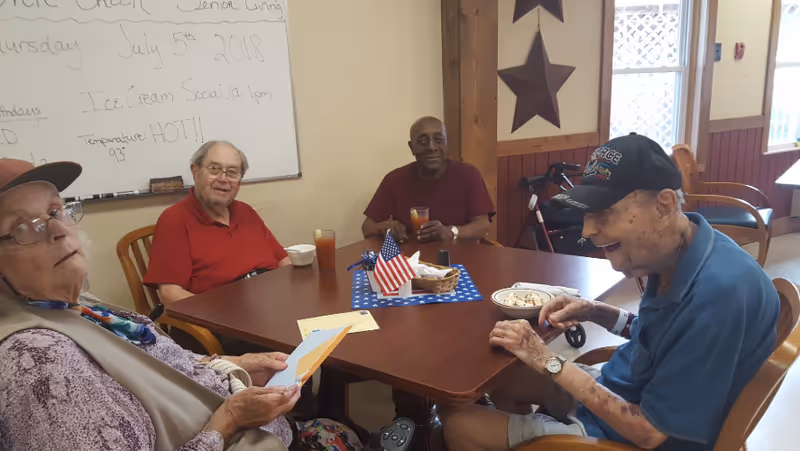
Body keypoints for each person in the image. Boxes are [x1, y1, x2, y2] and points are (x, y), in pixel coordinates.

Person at [440, 134, 780, 451]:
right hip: (623, 388)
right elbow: (664, 337)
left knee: (457, 425)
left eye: (603, 213)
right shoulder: (690, 248)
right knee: (507, 378)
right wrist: (593, 310)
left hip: (629, 432)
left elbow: (649, 432)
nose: (588, 230)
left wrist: (549, 361)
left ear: (662, 206)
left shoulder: (717, 295)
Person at [0, 158, 362, 451]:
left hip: (255, 413)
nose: (59, 230)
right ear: (195, 172)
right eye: (25, 228)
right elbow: (170, 298)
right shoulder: (40, 362)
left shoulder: (72, 304)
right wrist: (231, 417)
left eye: (55, 211)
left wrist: (235, 365)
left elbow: (153, 362)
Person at [144, 141, 291, 305]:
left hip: (270, 307)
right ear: (195, 172)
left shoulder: (246, 212)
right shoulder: (174, 220)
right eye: (214, 169)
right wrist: (223, 317)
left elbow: (283, 261)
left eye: (233, 172)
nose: (223, 179)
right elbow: (171, 294)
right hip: (218, 321)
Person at [361, 116, 495, 242]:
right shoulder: (394, 180)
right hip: (410, 260)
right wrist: (385, 227)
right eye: (423, 141)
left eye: (438, 140)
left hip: (459, 258)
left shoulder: (468, 175)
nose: (431, 147)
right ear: (412, 147)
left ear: (447, 144)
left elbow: (482, 226)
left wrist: (451, 232)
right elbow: (367, 227)